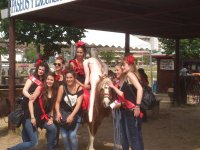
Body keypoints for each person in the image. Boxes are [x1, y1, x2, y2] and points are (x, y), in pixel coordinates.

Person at [8, 60, 49, 150]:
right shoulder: (33, 78)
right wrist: (30, 96)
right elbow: (24, 90)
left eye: (43, 70)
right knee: (33, 142)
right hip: (27, 105)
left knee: (26, 139)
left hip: (33, 107)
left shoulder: (43, 80)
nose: (41, 71)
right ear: (37, 69)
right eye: (40, 69)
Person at [109, 54, 144, 150]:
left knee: (133, 138)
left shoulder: (130, 75)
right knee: (136, 137)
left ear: (130, 65)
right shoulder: (131, 74)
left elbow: (140, 89)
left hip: (131, 110)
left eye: (124, 65)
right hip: (130, 110)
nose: (122, 67)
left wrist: (137, 106)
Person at [55, 71, 83, 150]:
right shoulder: (62, 87)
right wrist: (58, 112)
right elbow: (57, 102)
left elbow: (78, 104)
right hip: (63, 114)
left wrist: (71, 116)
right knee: (64, 135)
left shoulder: (79, 88)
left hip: (76, 114)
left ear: (74, 78)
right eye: (67, 77)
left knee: (72, 135)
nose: (69, 79)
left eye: (71, 77)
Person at [83, 48, 108, 122]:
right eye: (93, 50)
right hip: (95, 77)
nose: (95, 52)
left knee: (102, 92)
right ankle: (90, 113)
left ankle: (92, 113)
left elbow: (105, 70)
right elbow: (87, 75)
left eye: (96, 50)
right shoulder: (87, 61)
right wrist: (85, 84)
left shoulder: (99, 62)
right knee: (93, 94)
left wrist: (104, 74)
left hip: (98, 78)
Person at [39, 72, 58, 150]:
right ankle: (51, 148)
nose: (49, 81)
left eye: (51, 80)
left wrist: (51, 118)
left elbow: (52, 107)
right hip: (39, 116)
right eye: (48, 79)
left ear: (54, 81)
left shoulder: (54, 92)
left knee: (53, 128)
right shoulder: (41, 90)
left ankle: (51, 147)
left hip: (48, 116)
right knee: (53, 128)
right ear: (45, 80)